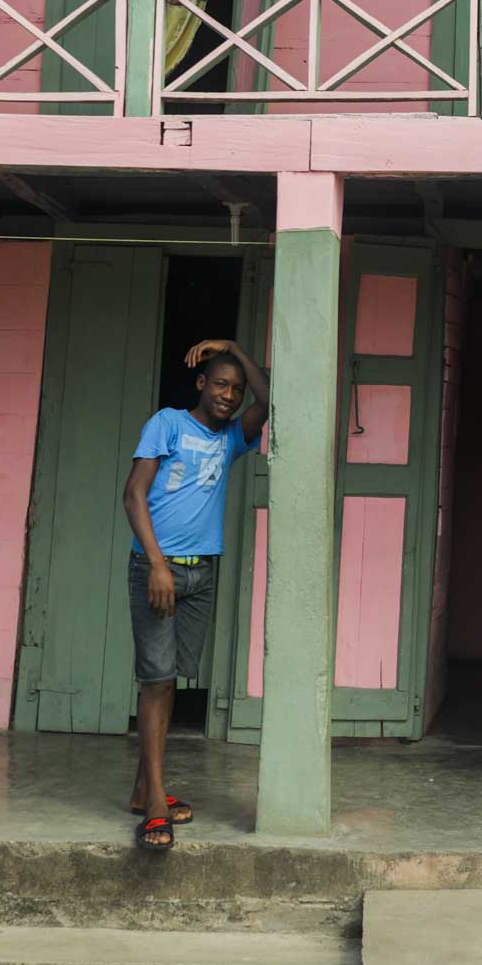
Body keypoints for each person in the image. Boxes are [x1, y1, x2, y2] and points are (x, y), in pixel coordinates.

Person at [123, 337, 269, 850]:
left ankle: (146, 788)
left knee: (171, 682)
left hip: (202, 574)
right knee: (156, 682)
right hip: (157, 570)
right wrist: (158, 565)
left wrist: (232, 347)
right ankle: (156, 804)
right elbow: (133, 493)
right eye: (221, 384)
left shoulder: (232, 438)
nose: (230, 395)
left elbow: (269, 401)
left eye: (237, 388)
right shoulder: (167, 423)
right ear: (201, 385)